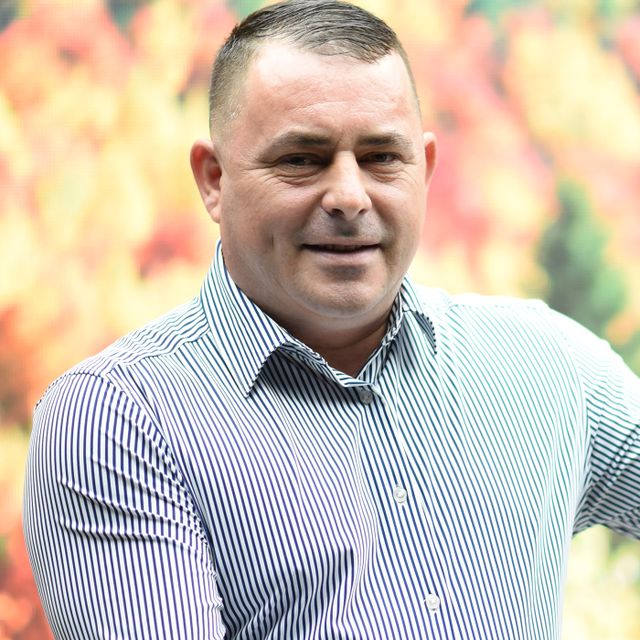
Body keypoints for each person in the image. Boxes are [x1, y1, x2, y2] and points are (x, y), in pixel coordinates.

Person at [23, 0, 640, 638]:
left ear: (425, 170)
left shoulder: (546, 365)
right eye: (301, 159)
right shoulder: (119, 421)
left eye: (381, 157)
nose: (349, 196)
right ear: (213, 179)